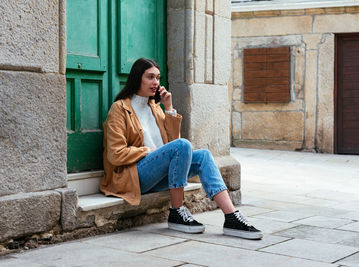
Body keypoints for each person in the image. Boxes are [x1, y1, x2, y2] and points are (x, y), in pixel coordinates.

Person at [100, 58, 262, 240]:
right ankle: (177, 211)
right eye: (150, 77)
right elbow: (115, 154)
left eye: (158, 78)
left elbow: (175, 147)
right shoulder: (120, 109)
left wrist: (168, 108)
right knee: (183, 145)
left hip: (159, 174)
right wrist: (148, 151)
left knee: (203, 156)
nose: (155, 82)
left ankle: (231, 215)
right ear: (138, 78)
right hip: (134, 176)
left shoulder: (154, 107)